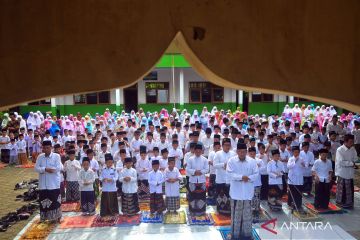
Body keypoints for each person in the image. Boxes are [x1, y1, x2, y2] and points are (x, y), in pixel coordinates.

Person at [227, 143, 259, 240]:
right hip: (236, 193)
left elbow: (256, 174)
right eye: (240, 151)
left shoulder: (252, 161)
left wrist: (248, 178)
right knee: (235, 215)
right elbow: (230, 174)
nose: (242, 153)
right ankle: (234, 235)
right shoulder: (231, 161)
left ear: (246, 151)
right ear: (237, 151)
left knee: (247, 216)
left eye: (244, 151)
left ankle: (247, 235)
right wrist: (241, 177)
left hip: (248, 194)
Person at [34, 140, 63, 222]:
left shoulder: (56, 156)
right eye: (44, 148)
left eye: (48, 148)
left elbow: (58, 167)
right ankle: (45, 217)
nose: (46, 149)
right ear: (42, 148)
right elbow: (36, 168)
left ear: (51, 148)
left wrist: (52, 170)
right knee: (44, 202)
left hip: (53, 183)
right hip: (43, 184)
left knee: (55, 201)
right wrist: (45, 169)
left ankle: (57, 217)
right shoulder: (40, 157)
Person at [213, 138, 236, 215]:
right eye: (226, 145)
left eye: (229, 145)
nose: (227, 146)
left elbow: (235, 164)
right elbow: (215, 165)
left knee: (228, 195)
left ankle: (228, 210)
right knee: (219, 195)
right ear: (222, 146)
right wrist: (223, 165)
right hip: (220, 178)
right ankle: (218, 209)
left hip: (229, 179)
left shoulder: (233, 154)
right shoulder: (218, 154)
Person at [186, 143, 209, 216]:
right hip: (193, 180)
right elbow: (187, 168)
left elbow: (207, 169)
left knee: (201, 197)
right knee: (192, 197)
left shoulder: (205, 159)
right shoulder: (190, 159)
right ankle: (192, 211)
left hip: (202, 180)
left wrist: (201, 172)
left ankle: (201, 212)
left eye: (200, 151)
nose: (198, 153)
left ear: (202, 151)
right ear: (194, 151)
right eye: (197, 151)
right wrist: (194, 172)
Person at [335, 134, 357, 209]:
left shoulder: (353, 149)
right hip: (342, 173)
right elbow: (341, 162)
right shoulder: (339, 150)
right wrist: (351, 163)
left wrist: (354, 163)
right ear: (345, 142)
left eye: (352, 142)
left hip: (350, 172)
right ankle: (340, 203)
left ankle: (349, 203)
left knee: (350, 188)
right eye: (350, 142)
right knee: (342, 189)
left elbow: (355, 158)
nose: (352, 143)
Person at [287, 146, 306, 212]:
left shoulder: (302, 159)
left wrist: (303, 164)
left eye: (298, 152)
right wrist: (295, 161)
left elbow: (305, 166)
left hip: (299, 178)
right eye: (295, 152)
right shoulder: (291, 159)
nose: (296, 153)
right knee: (292, 191)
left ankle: (298, 204)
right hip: (292, 178)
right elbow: (288, 166)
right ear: (293, 152)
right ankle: (290, 204)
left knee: (298, 191)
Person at [249, 146, 263, 216]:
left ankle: (256, 209)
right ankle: (250, 209)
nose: (252, 155)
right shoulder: (246, 161)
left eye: (253, 153)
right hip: (249, 182)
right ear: (248, 153)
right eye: (250, 153)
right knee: (249, 196)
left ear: (255, 153)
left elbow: (263, 170)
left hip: (257, 182)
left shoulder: (259, 161)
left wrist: (257, 167)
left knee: (256, 197)